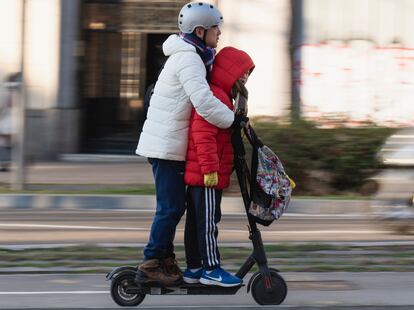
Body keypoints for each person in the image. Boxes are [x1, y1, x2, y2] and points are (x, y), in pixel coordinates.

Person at [135, 2, 243, 285]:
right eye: (215, 28)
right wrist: (233, 121)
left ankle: (166, 260)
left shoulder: (194, 55)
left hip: (169, 144)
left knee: (176, 206)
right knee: (170, 208)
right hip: (166, 146)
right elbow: (205, 102)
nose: (219, 33)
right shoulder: (189, 59)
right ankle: (150, 263)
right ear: (200, 30)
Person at [182, 46, 255, 287]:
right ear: (229, 72)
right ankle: (211, 269)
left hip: (202, 175)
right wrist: (211, 170)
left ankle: (194, 268)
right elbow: (202, 136)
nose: (245, 79)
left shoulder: (221, 96)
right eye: (243, 74)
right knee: (207, 224)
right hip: (206, 176)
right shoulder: (216, 96)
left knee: (197, 223)